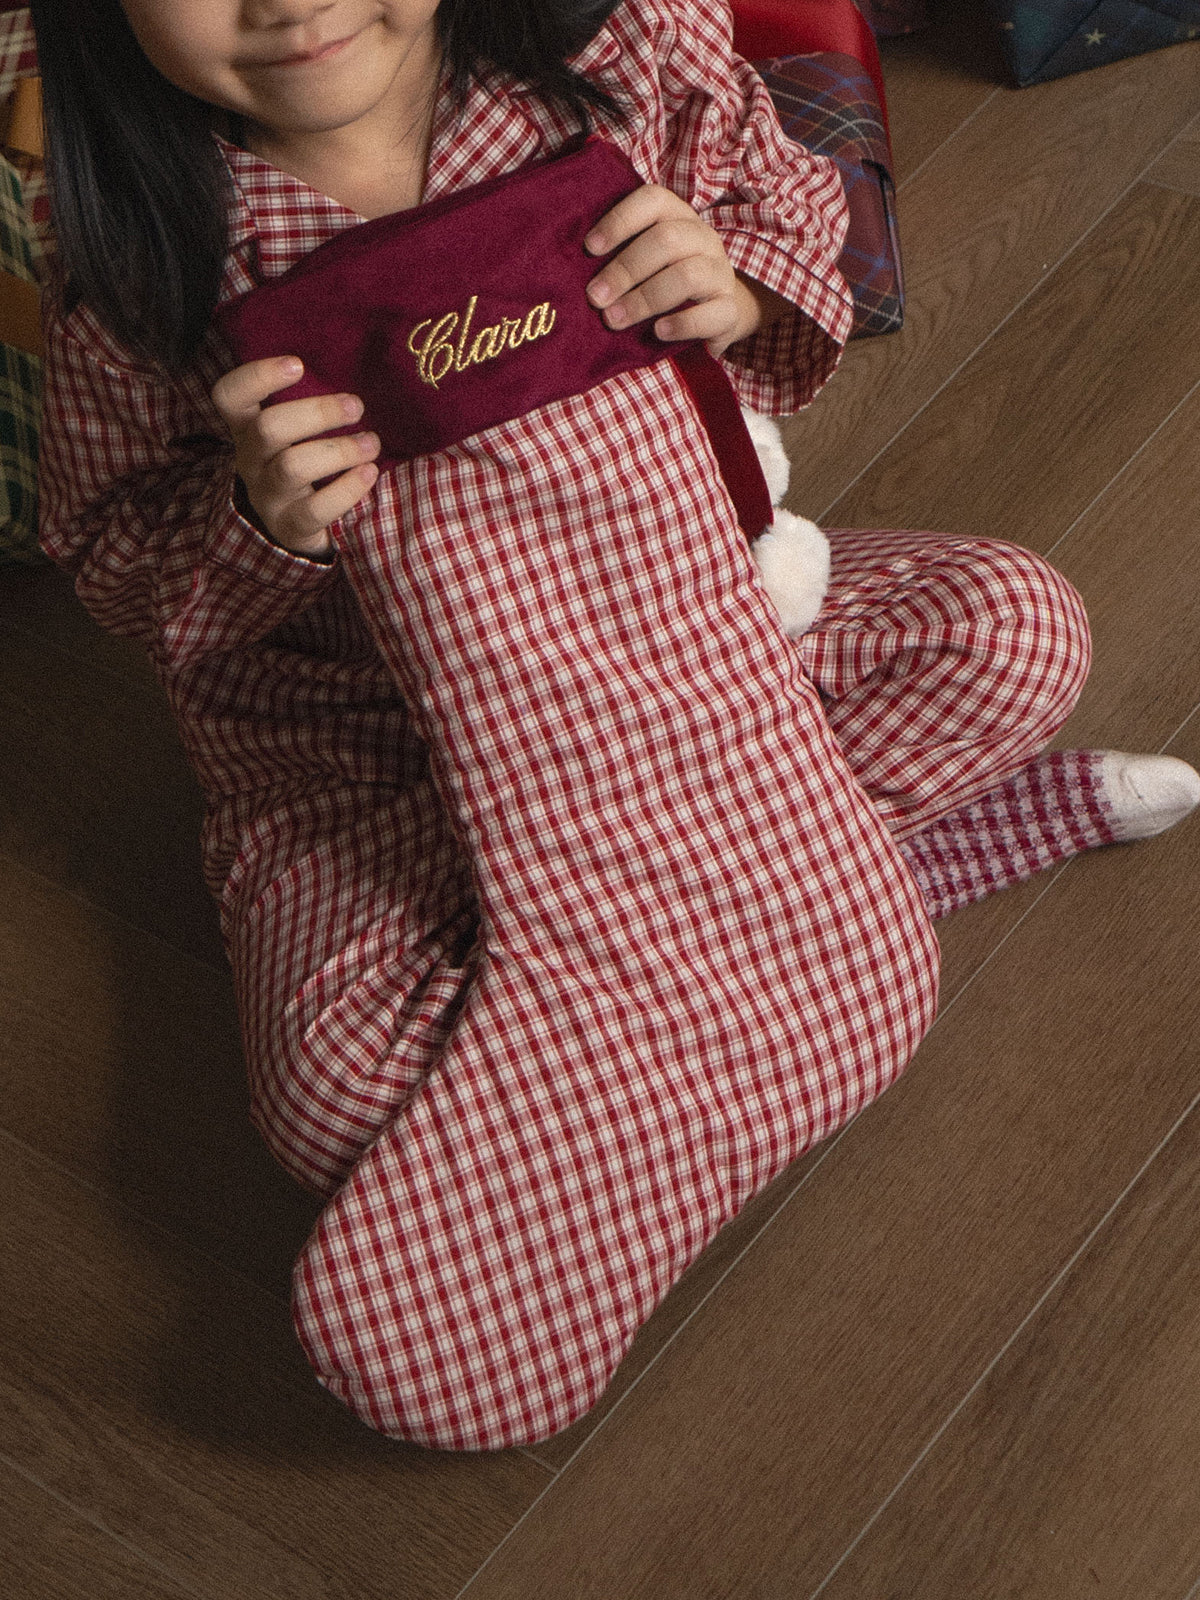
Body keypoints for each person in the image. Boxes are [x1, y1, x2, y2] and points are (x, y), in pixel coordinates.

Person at [31, 0, 1198, 1452]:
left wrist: (737, 292)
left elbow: (793, 212)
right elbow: (117, 557)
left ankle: (766, 926)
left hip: (687, 657)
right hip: (361, 756)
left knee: (1016, 633)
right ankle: (821, 907)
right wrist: (257, 523)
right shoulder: (140, 264)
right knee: (339, 1092)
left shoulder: (623, 55)